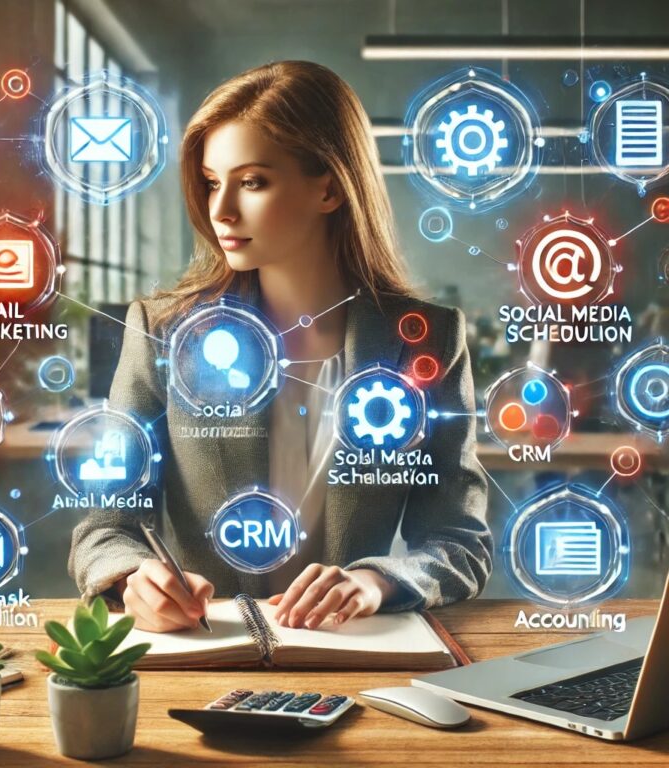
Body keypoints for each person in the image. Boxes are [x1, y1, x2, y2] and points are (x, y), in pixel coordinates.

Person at [69, 61, 492, 633]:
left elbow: (457, 540)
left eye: (251, 182)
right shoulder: (162, 331)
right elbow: (104, 527)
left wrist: (373, 582)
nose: (220, 210)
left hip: (353, 652)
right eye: (213, 182)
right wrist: (133, 577)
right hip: (208, 651)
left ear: (331, 187)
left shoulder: (425, 338)